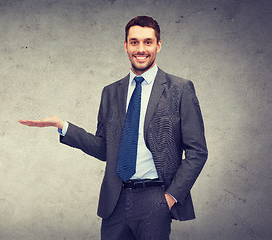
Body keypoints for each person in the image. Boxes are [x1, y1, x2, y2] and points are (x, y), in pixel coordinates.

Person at [19, 16, 208, 240]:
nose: (141, 49)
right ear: (126, 45)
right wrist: (63, 126)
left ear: (158, 45)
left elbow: (198, 151)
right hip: (114, 201)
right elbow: (104, 149)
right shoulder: (110, 92)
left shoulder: (180, 89)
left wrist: (170, 197)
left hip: (155, 199)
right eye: (134, 42)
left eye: (148, 42)